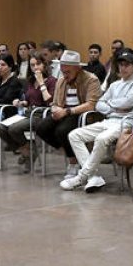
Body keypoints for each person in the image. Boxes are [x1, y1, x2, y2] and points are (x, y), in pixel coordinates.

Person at [62, 52, 133, 192]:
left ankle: (81, 177)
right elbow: (99, 104)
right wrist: (115, 107)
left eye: (127, 65)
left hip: (128, 123)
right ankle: (93, 177)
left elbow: (127, 102)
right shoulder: (114, 85)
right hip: (110, 120)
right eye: (121, 64)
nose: (123, 68)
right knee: (74, 135)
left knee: (102, 139)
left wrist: (111, 105)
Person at [32, 49, 103, 177]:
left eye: (68, 72)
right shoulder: (61, 80)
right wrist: (54, 109)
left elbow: (91, 104)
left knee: (62, 131)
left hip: (82, 114)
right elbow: (55, 102)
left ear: (77, 68)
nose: (65, 75)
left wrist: (67, 111)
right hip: (64, 112)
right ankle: (72, 152)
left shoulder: (91, 79)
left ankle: (73, 162)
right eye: (63, 71)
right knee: (41, 128)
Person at [0, 51, 55, 171]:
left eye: (38, 64)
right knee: (1, 128)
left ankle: (28, 153)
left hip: (42, 115)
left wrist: (41, 83)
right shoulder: (30, 80)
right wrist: (21, 102)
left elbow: (49, 102)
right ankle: (27, 150)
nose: (35, 68)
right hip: (29, 113)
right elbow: (28, 101)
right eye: (32, 65)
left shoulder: (51, 81)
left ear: (44, 65)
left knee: (14, 129)